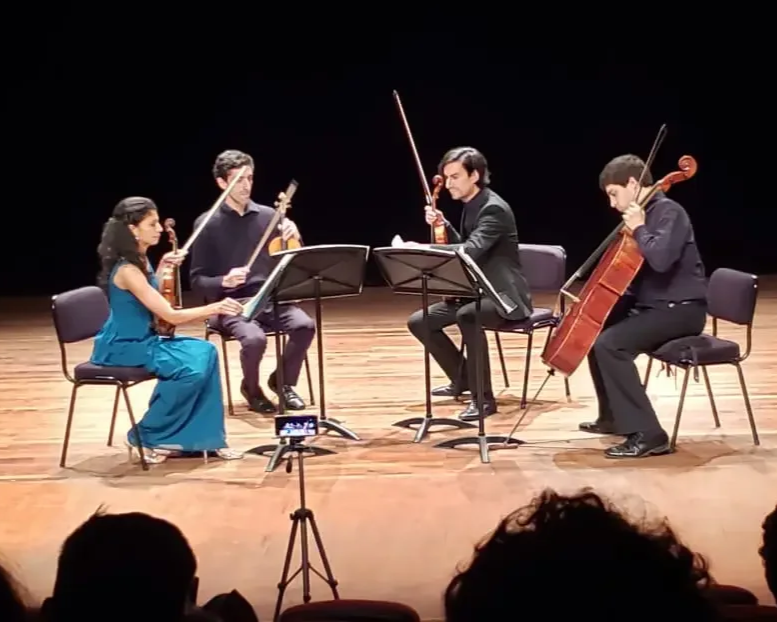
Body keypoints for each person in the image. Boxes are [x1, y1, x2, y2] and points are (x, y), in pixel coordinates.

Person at [91, 196, 245, 464]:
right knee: (189, 369)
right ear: (132, 229)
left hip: (145, 341)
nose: (160, 228)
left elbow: (152, 294)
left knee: (206, 351)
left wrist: (162, 267)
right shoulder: (128, 270)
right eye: (152, 224)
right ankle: (146, 434)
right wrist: (216, 307)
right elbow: (169, 314)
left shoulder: (139, 259)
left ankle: (202, 438)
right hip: (124, 347)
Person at [581, 154, 708, 458]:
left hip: (682, 310)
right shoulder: (647, 213)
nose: (612, 204)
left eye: (614, 194)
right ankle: (612, 416)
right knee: (595, 332)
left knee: (611, 346)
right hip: (656, 306)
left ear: (633, 184)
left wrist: (639, 227)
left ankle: (650, 435)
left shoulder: (668, 212)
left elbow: (661, 261)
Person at [404, 147, 532, 421]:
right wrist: (443, 224)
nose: (448, 183)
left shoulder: (493, 208)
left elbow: (470, 250)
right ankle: (462, 379)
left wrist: (421, 248)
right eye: (446, 177)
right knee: (420, 321)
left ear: (475, 175)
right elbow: (463, 242)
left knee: (467, 316)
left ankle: (483, 398)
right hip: (477, 292)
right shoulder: (472, 205)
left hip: (504, 297)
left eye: (455, 177)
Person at [189, 149, 315, 414]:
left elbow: (293, 258)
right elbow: (197, 280)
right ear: (222, 183)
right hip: (229, 304)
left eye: (250, 178)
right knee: (254, 339)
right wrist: (224, 280)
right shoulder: (207, 224)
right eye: (239, 180)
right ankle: (252, 388)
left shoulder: (270, 216)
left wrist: (296, 235)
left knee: (305, 325)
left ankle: (282, 382)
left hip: (270, 298)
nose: (246, 185)